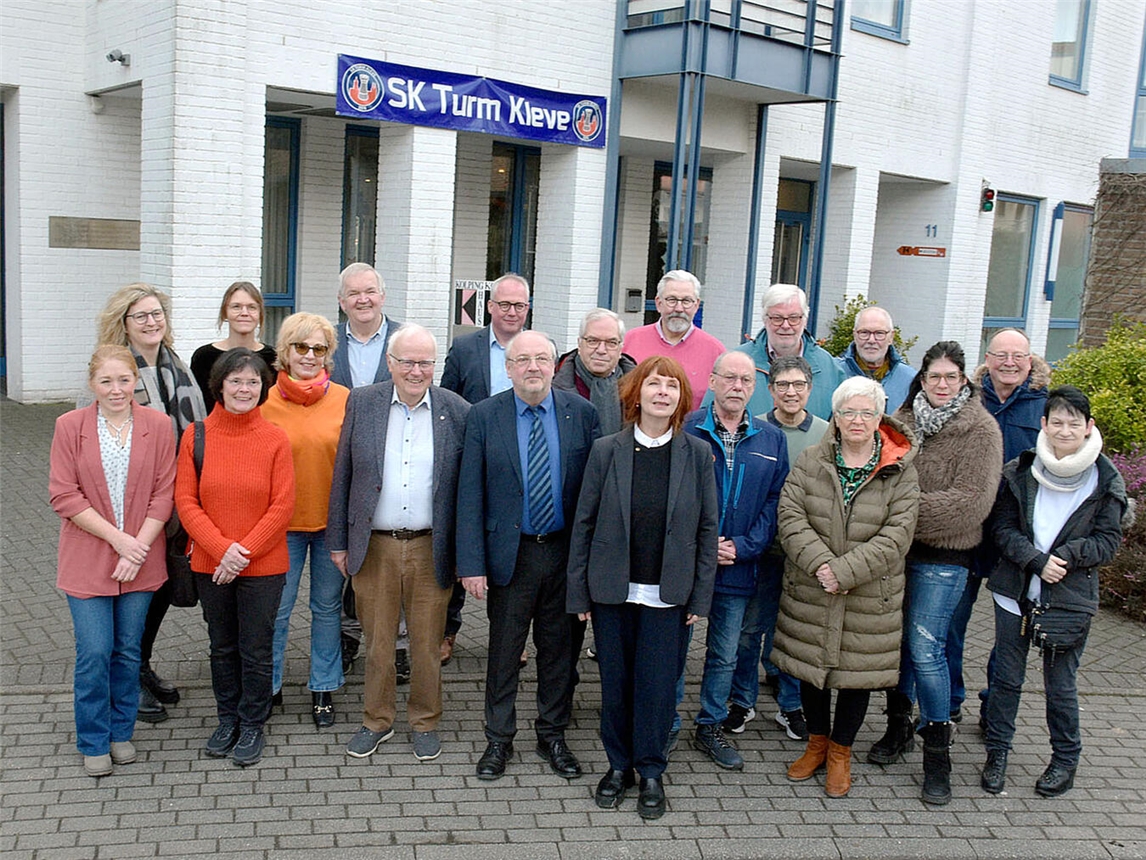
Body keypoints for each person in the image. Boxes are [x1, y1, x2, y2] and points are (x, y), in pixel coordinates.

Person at [567, 356, 719, 819]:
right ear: (636, 394)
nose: (662, 393)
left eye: (672, 387)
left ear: (681, 399)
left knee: (656, 688)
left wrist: (699, 596)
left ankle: (651, 770)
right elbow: (584, 523)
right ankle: (619, 767)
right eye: (654, 384)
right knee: (615, 685)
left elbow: (708, 529)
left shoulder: (696, 454)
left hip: (668, 595)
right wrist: (579, 594)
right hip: (613, 590)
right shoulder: (606, 450)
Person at [456, 330, 601, 782]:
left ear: (556, 366)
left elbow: (593, 497)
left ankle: (552, 734)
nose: (533, 367)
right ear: (508, 367)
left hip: (564, 555)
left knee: (560, 653)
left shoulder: (583, 414)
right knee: (504, 652)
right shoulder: (483, 417)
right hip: (510, 555)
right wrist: (472, 564)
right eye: (523, 360)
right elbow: (469, 494)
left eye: (542, 359)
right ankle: (498, 739)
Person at [327, 324, 470, 762]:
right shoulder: (363, 402)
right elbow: (344, 476)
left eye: (425, 362)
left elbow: (466, 489)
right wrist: (338, 541)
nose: (416, 370)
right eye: (407, 361)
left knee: (427, 644)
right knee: (378, 642)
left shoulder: (457, 410)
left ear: (436, 365)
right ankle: (377, 720)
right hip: (375, 545)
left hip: (432, 546)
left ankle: (425, 720)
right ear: (390, 363)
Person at [772, 376, 919, 798]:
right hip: (812, 584)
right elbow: (791, 515)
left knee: (857, 675)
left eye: (867, 412)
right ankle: (816, 744)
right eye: (848, 411)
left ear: (880, 418)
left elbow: (897, 535)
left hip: (869, 592)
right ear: (835, 416)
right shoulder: (812, 460)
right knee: (811, 669)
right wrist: (822, 565)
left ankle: (840, 752)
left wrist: (846, 571)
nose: (857, 419)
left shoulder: (900, 470)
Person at [870, 341, 1002, 805]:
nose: (941, 385)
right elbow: (877, 480)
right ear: (921, 379)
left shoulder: (981, 430)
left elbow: (971, 504)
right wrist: (893, 515)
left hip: (945, 558)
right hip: (896, 554)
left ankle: (937, 753)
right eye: (933, 377)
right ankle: (897, 727)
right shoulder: (900, 423)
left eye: (950, 377)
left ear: (963, 380)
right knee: (897, 644)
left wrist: (902, 511)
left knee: (927, 649)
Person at [980, 386, 1127, 798]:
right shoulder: (1020, 471)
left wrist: (1065, 555)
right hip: (1014, 591)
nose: (1065, 430)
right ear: (1043, 424)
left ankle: (1065, 761)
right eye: (1057, 422)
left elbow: (1107, 542)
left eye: (1073, 423)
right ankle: (997, 753)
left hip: (1068, 597)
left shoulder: (1105, 480)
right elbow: (1002, 529)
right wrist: (1034, 560)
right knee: (1006, 679)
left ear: (1088, 427)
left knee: (1059, 684)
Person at [49, 345, 177, 777]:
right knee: (94, 652)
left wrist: (136, 547)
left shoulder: (158, 426)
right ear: (92, 384)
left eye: (124, 380)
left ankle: (121, 732)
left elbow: (165, 493)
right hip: (89, 558)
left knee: (126, 652)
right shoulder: (69, 426)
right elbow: (64, 495)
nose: (117, 389)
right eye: (106, 381)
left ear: (135, 381)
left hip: (141, 558)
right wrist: (121, 542)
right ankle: (92, 738)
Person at [174, 349, 294, 767]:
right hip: (212, 564)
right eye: (236, 381)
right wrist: (222, 550)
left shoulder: (276, 438)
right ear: (220, 385)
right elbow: (186, 502)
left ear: (263, 389)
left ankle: (252, 722)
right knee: (222, 647)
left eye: (253, 382)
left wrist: (238, 555)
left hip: (262, 568)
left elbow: (282, 506)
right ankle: (227, 719)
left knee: (256, 649)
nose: (244, 389)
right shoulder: (197, 434)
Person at [95, 283, 207, 722]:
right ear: (123, 323)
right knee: (133, 593)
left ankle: (138, 666)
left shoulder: (174, 365)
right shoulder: (114, 368)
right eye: (140, 315)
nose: (151, 322)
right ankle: (123, 678)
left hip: (175, 499)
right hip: (129, 505)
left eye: (156, 313)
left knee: (159, 587)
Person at [684, 351, 788, 771]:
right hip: (690, 564)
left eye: (746, 380)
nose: (738, 387)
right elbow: (673, 498)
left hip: (741, 564)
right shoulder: (688, 428)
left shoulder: (770, 437)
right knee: (675, 649)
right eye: (729, 378)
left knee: (725, 653)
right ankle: (667, 722)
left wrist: (745, 546)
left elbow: (775, 500)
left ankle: (709, 724)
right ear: (712, 381)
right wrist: (703, 546)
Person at [949, 329, 1051, 727]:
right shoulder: (968, 401)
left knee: (1009, 631)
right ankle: (950, 701)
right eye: (1000, 355)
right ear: (986, 358)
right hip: (968, 531)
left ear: (1030, 360)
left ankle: (994, 705)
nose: (1009, 363)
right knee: (952, 623)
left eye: (1018, 356)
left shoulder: (1044, 405)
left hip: (1017, 536)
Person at [727, 356, 828, 740]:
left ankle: (790, 705)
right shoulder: (756, 430)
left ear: (809, 389)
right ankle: (742, 700)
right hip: (762, 551)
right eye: (782, 385)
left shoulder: (824, 433)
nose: (790, 392)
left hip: (804, 555)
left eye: (798, 385)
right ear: (770, 391)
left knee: (792, 633)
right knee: (751, 630)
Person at [260, 313, 350, 728]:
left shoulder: (347, 399)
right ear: (285, 352)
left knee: (327, 608)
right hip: (282, 526)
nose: (310, 356)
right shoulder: (263, 401)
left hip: (331, 526)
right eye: (301, 347)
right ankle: (270, 685)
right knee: (277, 609)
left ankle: (323, 686)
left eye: (319, 349)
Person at [438, 272, 533, 665]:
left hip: (521, 467)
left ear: (527, 309)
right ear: (490, 307)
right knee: (464, 545)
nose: (511, 312)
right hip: (473, 461)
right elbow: (445, 399)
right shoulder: (465, 348)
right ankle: (447, 630)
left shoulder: (536, 347)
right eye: (504, 304)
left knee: (514, 555)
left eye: (519, 306)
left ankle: (512, 638)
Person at [731, 283, 842, 419]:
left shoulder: (829, 368)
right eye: (777, 318)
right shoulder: (736, 363)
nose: (785, 325)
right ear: (765, 320)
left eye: (793, 318)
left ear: (805, 320)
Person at [623, 270, 726, 411]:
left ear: (696, 305)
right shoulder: (629, 342)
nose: (678, 308)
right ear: (658, 303)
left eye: (686, 301)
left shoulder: (716, 352)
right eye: (671, 300)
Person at [190, 281, 278, 412]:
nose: (244, 313)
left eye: (252, 307)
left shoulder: (274, 358)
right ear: (225, 312)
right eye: (236, 307)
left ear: (260, 313)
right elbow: (197, 405)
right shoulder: (204, 357)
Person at [553, 308, 636, 436]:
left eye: (611, 342)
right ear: (579, 344)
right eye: (593, 341)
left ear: (620, 349)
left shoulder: (638, 387)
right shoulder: (553, 384)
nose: (601, 350)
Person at [330, 262, 402, 389]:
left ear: (382, 297)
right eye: (353, 293)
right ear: (342, 302)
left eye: (370, 291)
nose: (363, 300)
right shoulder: (327, 340)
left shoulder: (405, 339)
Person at [836, 306, 915, 413]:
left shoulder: (910, 380)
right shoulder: (834, 372)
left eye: (879, 333)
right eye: (864, 332)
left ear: (891, 337)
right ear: (854, 335)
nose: (871, 340)